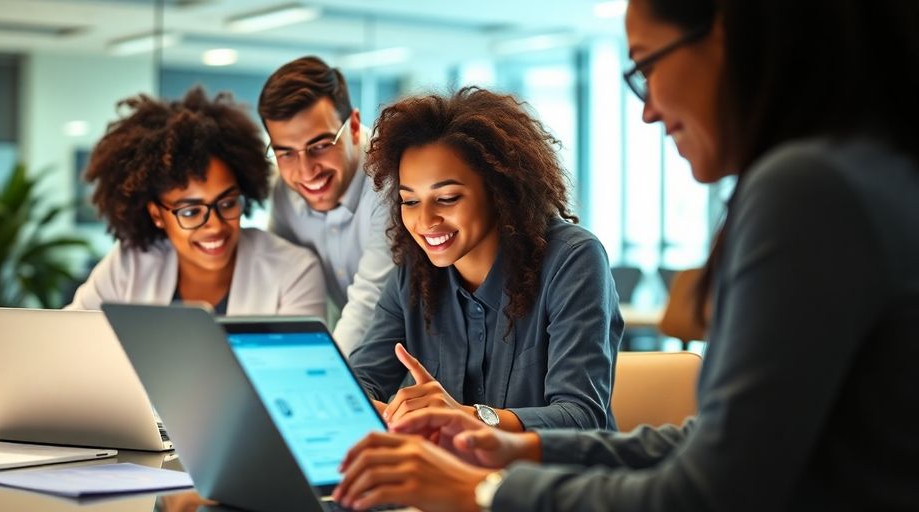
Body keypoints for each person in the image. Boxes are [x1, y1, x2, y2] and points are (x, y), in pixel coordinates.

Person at [332, 0, 919, 510]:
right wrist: (513, 447)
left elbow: (707, 492)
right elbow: (710, 444)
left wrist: (481, 491)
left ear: (724, 36)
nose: (647, 109)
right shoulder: (868, 171)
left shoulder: (807, 190)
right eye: (410, 201)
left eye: (647, 66)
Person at [349, 87, 623, 434]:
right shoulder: (414, 274)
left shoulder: (572, 260)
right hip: (450, 468)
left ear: (498, 190)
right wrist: (362, 406)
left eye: (447, 198)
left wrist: (466, 417)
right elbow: (360, 380)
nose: (425, 221)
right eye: (410, 201)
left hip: (554, 469)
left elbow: (581, 417)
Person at [67, 87, 326, 317]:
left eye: (227, 203)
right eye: (191, 212)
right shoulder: (130, 264)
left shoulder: (294, 271)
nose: (215, 226)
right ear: (157, 214)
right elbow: (70, 338)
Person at [258, 56, 394, 353]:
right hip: (365, 355)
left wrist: (325, 373)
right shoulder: (284, 192)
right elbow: (278, 275)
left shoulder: (390, 179)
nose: (306, 171)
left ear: (354, 127)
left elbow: (369, 302)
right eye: (286, 153)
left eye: (320, 146)